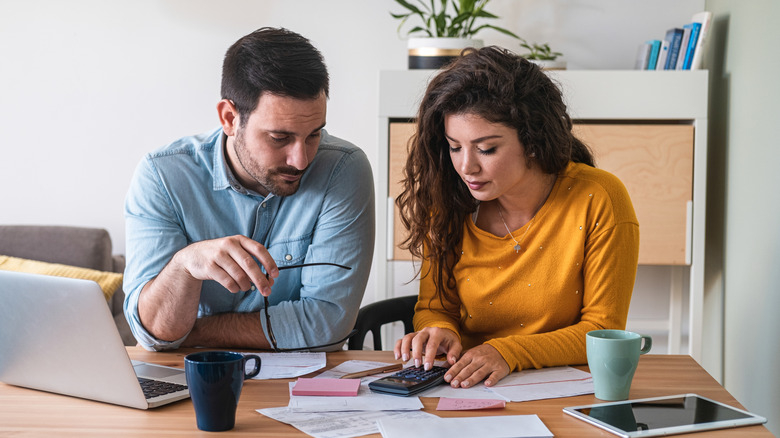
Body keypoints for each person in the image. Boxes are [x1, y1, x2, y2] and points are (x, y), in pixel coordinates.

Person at [393, 46, 639, 389]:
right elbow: (435, 307)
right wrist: (440, 331)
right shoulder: (448, 200)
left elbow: (601, 330)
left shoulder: (599, 198)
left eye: (487, 149)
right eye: (454, 146)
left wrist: (507, 352)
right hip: (465, 386)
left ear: (533, 140)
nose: (467, 167)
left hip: (558, 390)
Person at [123, 27, 375, 352]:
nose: (301, 160)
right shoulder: (162, 176)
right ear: (229, 118)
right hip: (189, 381)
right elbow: (154, 332)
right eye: (279, 138)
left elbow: (327, 324)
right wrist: (184, 265)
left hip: (299, 389)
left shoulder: (343, 170)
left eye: (314, 134)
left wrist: (192, 333)